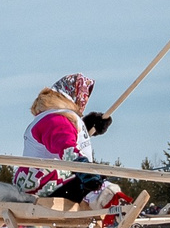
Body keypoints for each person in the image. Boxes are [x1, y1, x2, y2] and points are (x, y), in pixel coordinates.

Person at [14, 73, 118, 205]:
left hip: (39, 182)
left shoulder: (51, 119)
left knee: (97, 183)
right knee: (103, 190)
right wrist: (86, 173)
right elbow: (66, 147)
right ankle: (110, 205)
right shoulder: (55, 119)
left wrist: (88, 126)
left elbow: (62, 139)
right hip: (47, 186)